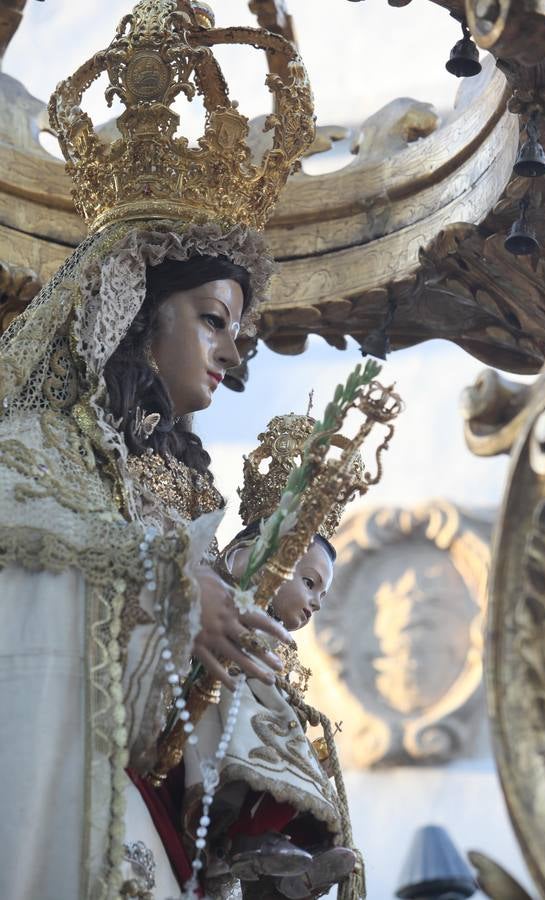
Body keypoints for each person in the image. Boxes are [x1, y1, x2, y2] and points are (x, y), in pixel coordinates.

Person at [0, 2, 315, 898]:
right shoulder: (34, 453)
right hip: (67, 801)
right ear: (140, 317)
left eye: (239, 333)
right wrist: (169, 586)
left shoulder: (179, 485)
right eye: (213, 320)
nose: (229, 351)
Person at [184, 415, 363, 900]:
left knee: (292, 756)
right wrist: (258, 567)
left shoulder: (277, 649)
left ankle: (280, 862)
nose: (314, 603)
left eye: (321, 596)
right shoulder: (229, 587)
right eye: (308, 582)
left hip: (253, 695)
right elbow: (237, 568)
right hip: (211, 683)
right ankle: (244, 836)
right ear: (264, 553)